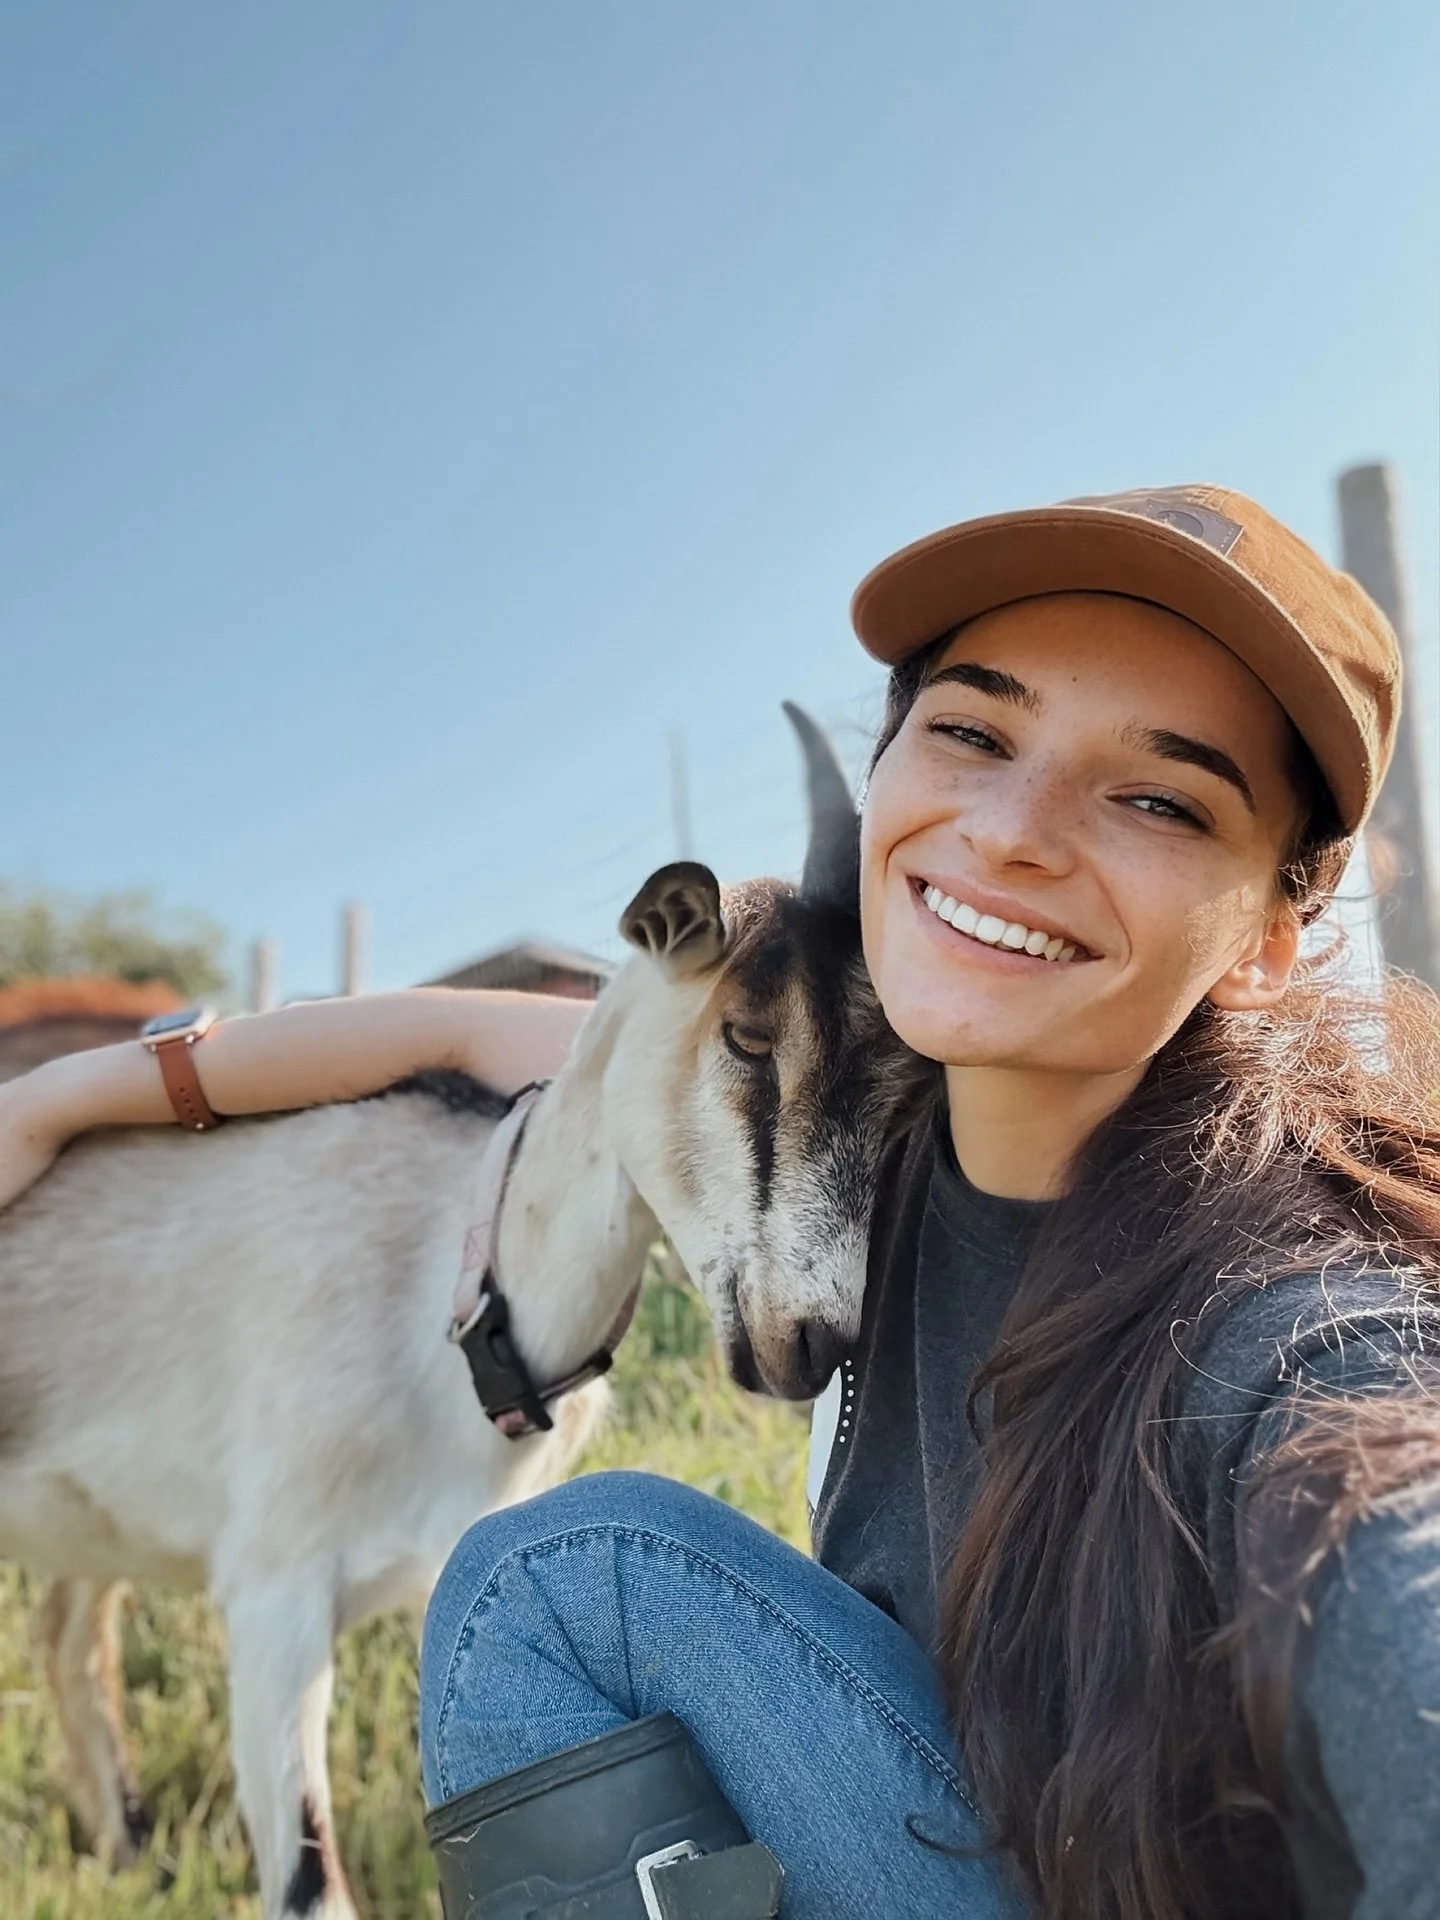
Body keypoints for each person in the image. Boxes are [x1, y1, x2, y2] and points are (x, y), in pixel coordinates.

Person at [2, 485, 1437, 1919]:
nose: (1009, 829)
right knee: (558, 1583)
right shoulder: (877, 1097)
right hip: (977, 1828)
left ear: (1263, 943)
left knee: (565, 1567)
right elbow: (465, 1032)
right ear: (883, 785)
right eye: (974, 731)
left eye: (1157, 797)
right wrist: (59, 1100)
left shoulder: (1295, 1330)